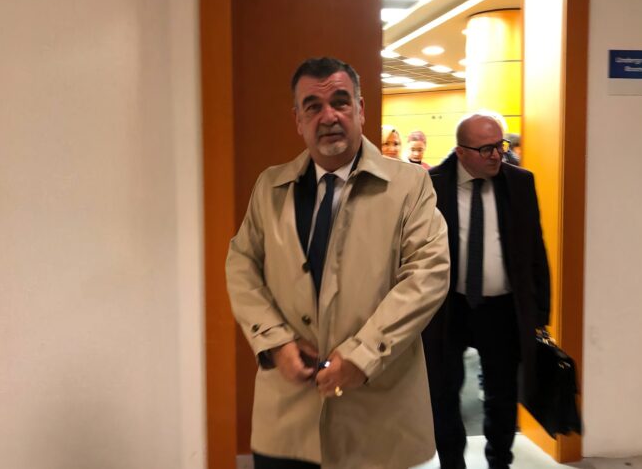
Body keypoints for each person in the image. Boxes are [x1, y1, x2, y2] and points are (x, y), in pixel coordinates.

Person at [226, 57, 450, 469]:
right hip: (288, 416)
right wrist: (274, 341)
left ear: (360, 109)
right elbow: (241, 265)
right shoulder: (271, 188)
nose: (328, 116)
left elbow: (428, 275)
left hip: (377, 416)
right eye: (312, 106)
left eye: (340, 102)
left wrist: (363, 356)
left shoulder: (410, 186)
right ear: (298, 120)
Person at [422, 113, 550, 469]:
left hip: (502, 308)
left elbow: (535, 248)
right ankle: (452, 462)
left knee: (502, 394)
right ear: (461, 151)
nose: (497, 155)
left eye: (500, 146)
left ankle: (499, 461)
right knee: (443, 392)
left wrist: (541, 311)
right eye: (486, 149)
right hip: (448, 306)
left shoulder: (519, 183)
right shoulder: (432, 185)